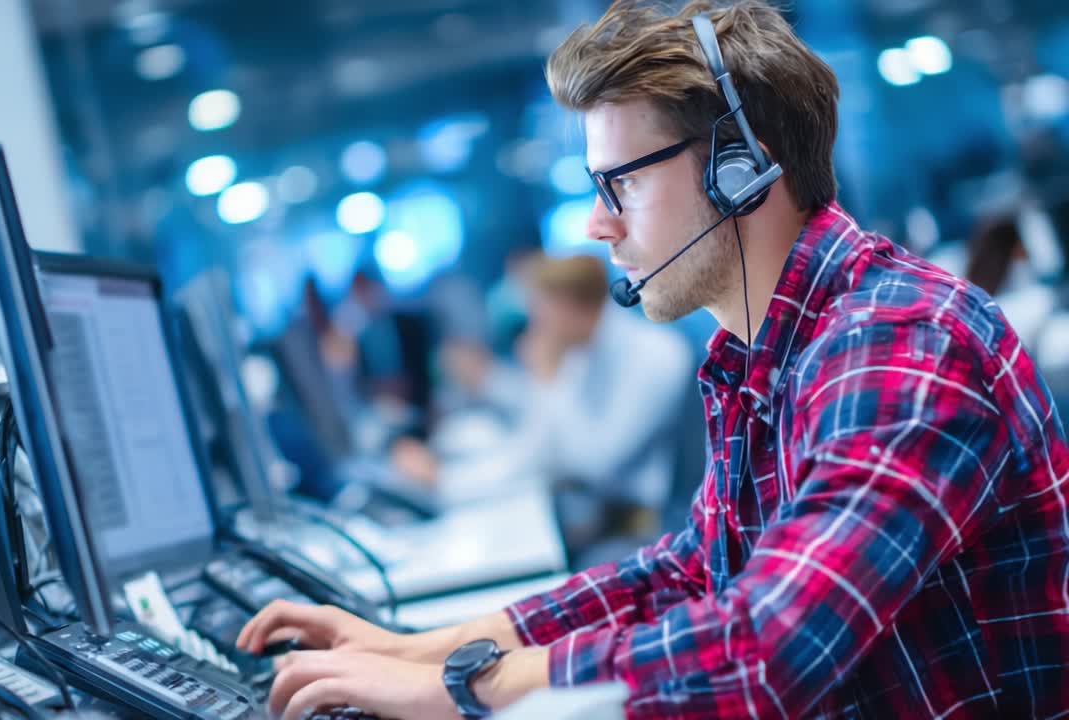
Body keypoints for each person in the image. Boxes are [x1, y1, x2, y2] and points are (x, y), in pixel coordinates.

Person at [236, 1, 1069, 718]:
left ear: (739, 172)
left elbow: (764, 653)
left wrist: (460, 689)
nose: (597, 226)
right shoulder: (764, 353)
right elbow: (684, 573)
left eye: (619, 186)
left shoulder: (900, 344)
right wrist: (424, 649)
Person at [392, 254, 692, 543]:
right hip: (591, 513)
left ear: (567, 306)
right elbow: (538, 447)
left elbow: (593, 464)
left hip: (637, 528)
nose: (535, 325)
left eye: (539, 310)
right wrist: (449, 481)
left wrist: (548, 378)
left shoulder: (656, 354)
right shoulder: (582, 352)